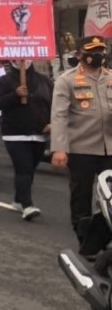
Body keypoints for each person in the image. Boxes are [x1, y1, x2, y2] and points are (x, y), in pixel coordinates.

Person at [51, 35, 112, 257]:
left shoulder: (110, 78)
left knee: (109, 196)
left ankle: (104, 236)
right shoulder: (66, 81)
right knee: (81, 196)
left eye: (100, 51)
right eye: (92, 51)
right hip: (81, 149)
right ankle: (85, 241)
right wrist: (59, 148)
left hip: (109, 148)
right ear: (79, 55)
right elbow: (59, 116)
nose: (98, 55)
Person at [0, 59, 52, 220]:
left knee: (30, 168)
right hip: (15, 133)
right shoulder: (4, 81)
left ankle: (19, 199)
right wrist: (15, 95)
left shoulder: (44, 81)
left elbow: (54, 104)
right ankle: (27, 205)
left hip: (40, 132)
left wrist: (52, 123)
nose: (23, 60)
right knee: (23, 167)